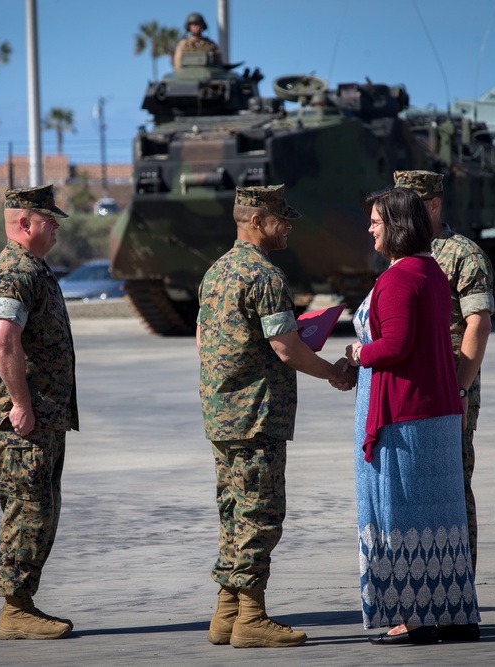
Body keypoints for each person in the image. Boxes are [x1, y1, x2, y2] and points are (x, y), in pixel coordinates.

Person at [197, 184, 352, 649]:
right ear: (257, 221)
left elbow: (209, 342)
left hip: (223, 414)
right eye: (281, 220)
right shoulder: (264, 276)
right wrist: (333, 373)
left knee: (233, 512)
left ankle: (226, 613)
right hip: (257, 415)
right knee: (260, 515)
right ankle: (251, 618)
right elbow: (286, 348)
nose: (288, 228)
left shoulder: (217, 271)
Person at [346, 187, 480, 645]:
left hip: (405, 416)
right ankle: (455, 614)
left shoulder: (400, 278)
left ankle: (415, 617)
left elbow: (395, 347)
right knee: (443, 516)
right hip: (437, 408)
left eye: (377, 222)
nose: (370, 229)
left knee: (400, 514)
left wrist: (358, 351)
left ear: (398, 226)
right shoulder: (432, 272)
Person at [0, 184, 78, 641]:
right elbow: (3, 339)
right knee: (29, 510)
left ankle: (22, 604)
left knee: (41, 509)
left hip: (43, 415)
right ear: (24, 224)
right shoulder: (16, 273)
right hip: (24, 420)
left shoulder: (32, 268)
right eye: (48, 220)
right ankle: (16, 610)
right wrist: (20, 403)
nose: (55, 226)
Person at [394, 169, 494, 578]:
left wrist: (460, 387)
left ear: (434, 206)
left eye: (412, 207)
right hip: (413, 390)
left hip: (451, 387)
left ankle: (460, 587)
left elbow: (479, 323)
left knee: (452, 482)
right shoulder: (402, 250)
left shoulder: (461, 254)